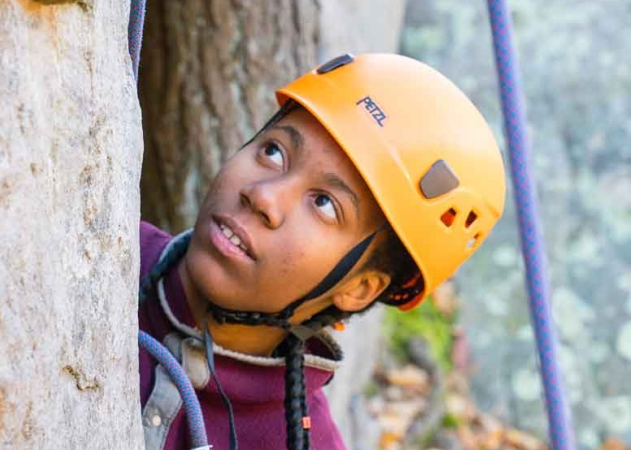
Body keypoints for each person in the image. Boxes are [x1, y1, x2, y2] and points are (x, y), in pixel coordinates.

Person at [138, 53, 506, 450]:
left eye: (324, 204)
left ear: (361, 287)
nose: (263, 196)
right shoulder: (96, 251)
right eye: (274, 152)